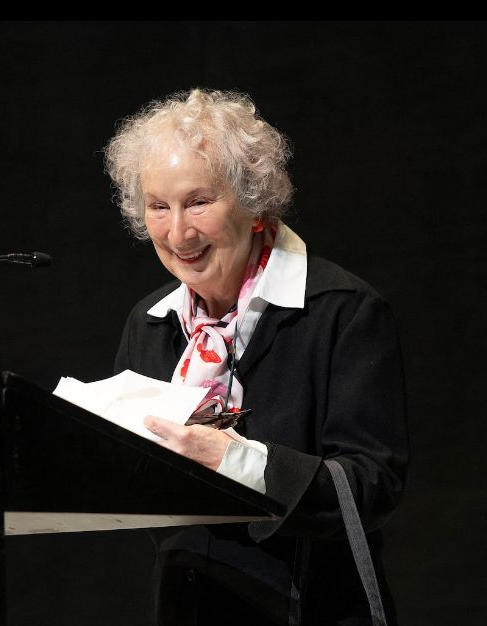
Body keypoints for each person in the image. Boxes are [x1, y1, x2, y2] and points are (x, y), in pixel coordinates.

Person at [105, 88, 408, 626]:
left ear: (255, 202)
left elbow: (371, 486)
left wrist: (233, 461)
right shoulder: (149, 323)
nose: (178, 233)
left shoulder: (342, 312)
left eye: (199, 202)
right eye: (158, 207)